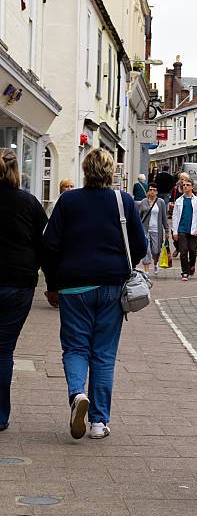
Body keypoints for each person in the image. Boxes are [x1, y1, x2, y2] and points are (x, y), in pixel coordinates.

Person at [42, 149, 147, 440]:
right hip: (112, 287)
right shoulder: (122, 200)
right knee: (103, 353)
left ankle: (77, 394)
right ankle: (99, 422)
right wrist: (123, 267)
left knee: (75, 347)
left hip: (74, 287)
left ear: (86, 171)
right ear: (111, 172)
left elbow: (49, 245)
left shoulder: (68, 201)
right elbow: (139, 244)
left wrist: (52, 283)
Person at [0, 149, 48, 432]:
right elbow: (45, 244)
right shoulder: (29, 203)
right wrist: (53, 284)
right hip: (18, 283)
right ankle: (0, 414)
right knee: (4, 350)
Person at [172, 177, 197, 281]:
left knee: (193, 251)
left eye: (187, 185)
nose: (185, 187)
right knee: (183, 252)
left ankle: (192, 265)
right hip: (182, 229)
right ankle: (184, 272)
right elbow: (175, 216)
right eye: (183, 185)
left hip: (193, 229)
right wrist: (175, 231)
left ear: (192, 187)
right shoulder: (179, 201)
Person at [138, 182, 169, 276]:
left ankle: (155, 264)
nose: (152, 192)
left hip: (157, 229)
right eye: (150, 190)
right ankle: (146, 270)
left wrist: (167, 230)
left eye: (154, 190)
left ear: (157, 192)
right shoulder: (143, 202)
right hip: (145, 229)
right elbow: (139, 217)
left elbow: (164, 217)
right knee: (146, 249)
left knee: (156, 250)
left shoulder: (161, 202)